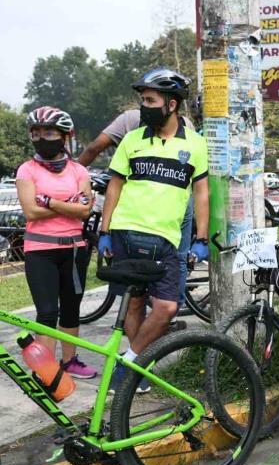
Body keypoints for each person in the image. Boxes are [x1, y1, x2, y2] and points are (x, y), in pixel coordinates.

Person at [98, 69, 210, 392]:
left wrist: (201, 238)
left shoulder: (196, 145)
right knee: (133, 303)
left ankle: (130, 361)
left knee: (166, 307)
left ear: (172, 105)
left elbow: (201, 193)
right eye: (143, 99)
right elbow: (114, 187)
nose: (143, 106)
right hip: (125, 233)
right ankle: (139, 378)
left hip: (167, 240)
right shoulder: (132, 140)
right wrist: (104, 231)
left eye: (150, 100)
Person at [78, 93, 197, 315]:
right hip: (178, 203)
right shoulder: (183, 123)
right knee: (178, 257)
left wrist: (72, 173)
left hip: (142, 210)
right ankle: (170, 312)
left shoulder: (128, 120)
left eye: (148, 100)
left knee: (134, 264)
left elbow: (95, 148)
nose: (145, 105)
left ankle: (141, 316)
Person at [16, 107, 97, 379]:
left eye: (49, 132)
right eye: (36, 133)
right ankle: (47, 371)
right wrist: (69, 204)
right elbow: (31, 212)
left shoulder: (78, 170)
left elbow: (85, 211)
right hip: (40, 251)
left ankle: (70, 361)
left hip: (74, 249)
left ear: (65, 136)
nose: (42, 138)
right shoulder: (27, 170)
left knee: (71, 309)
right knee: (48, 312)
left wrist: (49, 201)